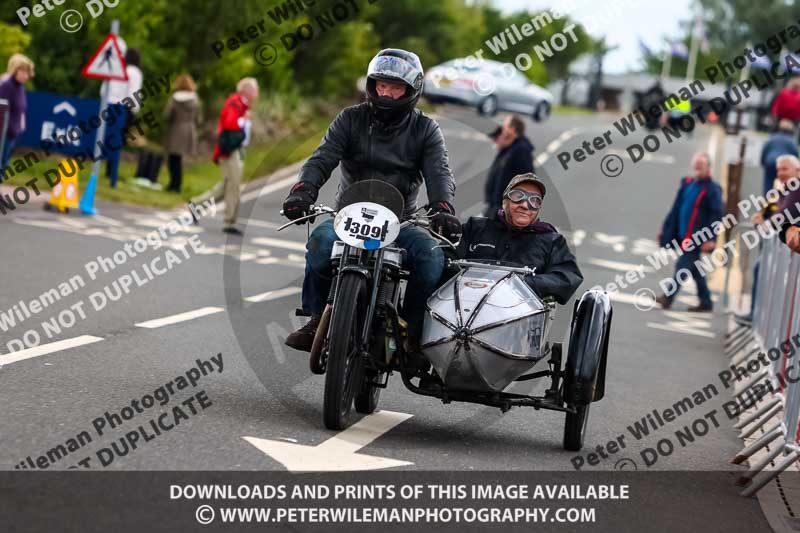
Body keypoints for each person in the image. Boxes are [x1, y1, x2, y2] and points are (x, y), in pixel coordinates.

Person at [282, 48, 460, 354]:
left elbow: (439, 172)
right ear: (372, 85)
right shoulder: (350, 119)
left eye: (396, 87)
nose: (388, 94)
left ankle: (410, 330)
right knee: (320, 244)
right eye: (382, 85)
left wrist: (442, 207)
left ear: (411, 90)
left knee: (432, 257)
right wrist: (303, 189)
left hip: (401, 221)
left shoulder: (425, 129)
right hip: (348, 217)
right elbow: (322, 158)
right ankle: (315, 318)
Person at [456, 173, 583, 304]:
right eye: (518, 196)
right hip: (467, 304)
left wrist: (521, 284)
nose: (525, 205)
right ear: (505, 201)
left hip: (518, 315)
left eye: (534, 201)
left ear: (538, 209)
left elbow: (567, 277)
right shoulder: (475, 227)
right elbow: (448, 259)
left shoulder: (551, 241)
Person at [656, 152, 724, 312]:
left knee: (682, 266)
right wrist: (666, 230)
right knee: (696, 270)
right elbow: (676, 209)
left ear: (708, 168)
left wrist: (711, 238)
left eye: (701, 165)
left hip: (697, 237)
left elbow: (716, 215)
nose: (698, 168)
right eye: (696, 165)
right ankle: (706, 301)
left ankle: (668, 297)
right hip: (683, 234)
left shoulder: (713, 189)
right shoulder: (687, 184)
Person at [189, 77, 258, 235]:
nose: (256, 93)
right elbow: (229, 123)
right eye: (254, 89)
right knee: (233, 186)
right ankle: (229, 222)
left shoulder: (243, 104)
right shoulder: (235, 102)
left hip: (235, 149)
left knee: (226, 186)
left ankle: (196, 204)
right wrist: (243, 120)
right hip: (230, 150)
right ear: (246, 90)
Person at [738, 155, 800, 323]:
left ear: (798, 170)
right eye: (778, 169)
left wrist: (766, 224)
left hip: (789, 254)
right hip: (785, 250)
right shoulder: (784, 189)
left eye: (784, 169)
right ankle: (760, 319)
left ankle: (759, 318)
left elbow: (784, 215)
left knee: (765, 273)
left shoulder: (795, 187)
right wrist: (763, 219)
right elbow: (772, 213)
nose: (780, 173)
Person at [104, 48, 143, 187]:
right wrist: (133, 109)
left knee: (113, 138)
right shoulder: (135, 72)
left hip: (114, 105)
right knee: (119, 140)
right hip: (126, 108)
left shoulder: (122, 69)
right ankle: (112, 171)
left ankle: (109, 169)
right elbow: (134, 92)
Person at [483, 114, 534, 217]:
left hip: (504, 210)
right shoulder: (510, 148)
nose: (503, 128)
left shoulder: (521, 150)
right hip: (496, 207)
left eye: (505, 126)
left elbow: (526, 182)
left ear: (513, 129)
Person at [163, 73, 200, 193]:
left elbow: (167, 115)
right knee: (178, 159)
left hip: (177, 129)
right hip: (190, 130)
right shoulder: (195, 99)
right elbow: (198, 118)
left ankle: (174, 185)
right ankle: (177, 185)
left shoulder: (174, 98)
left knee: (173, 159)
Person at [0, 54, 34, 181]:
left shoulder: (19, 86)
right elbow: (2, 109)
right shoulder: (6, 85)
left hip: (12, 132)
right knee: (1, 164)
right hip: (3, 133)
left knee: (4, 164)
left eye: (28, 72)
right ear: (15, 69)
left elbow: (21, 108)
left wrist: (21, 122)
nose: (26, 75)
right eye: (23, 71)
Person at [760, 119, 798, 197]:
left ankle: (767, 202)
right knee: (785, 185)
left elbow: (764, 151)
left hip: (770, 162)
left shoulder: (772, 138)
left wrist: (763, 163)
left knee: (768, 184)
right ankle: (782, 202)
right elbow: (795, 156)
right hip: (785, 166)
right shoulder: (791, 141)